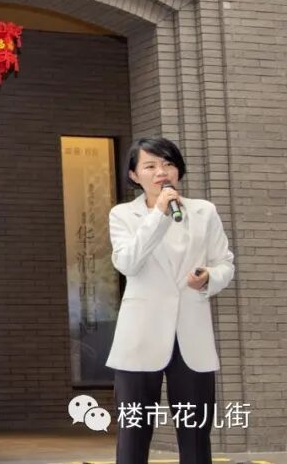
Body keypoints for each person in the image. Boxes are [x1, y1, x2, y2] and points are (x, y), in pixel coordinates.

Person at [107, 136, 235, 464]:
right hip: (140, 336)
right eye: (150, 166)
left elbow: (225, 263)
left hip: (191, 335)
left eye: (168, 164)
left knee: (195, 435)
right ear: (134, 175)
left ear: (178, 170)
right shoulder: (123, 215)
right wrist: (159, 214)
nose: (161, 172)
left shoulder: (204, 212)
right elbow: (127, 263)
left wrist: (208, 277)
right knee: (134, 434)